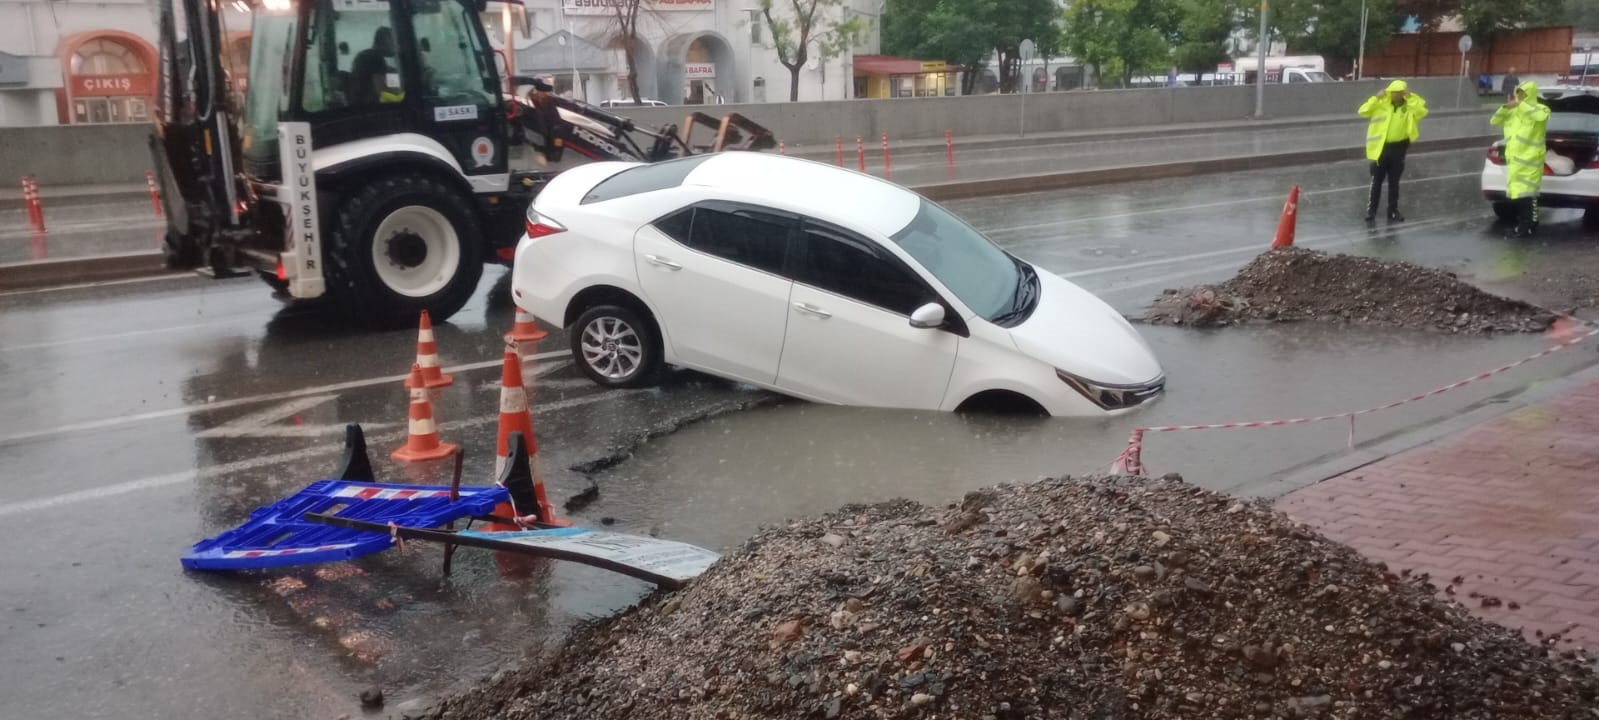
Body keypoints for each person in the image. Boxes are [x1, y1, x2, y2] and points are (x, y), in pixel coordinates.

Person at [1358, 79, 1429, 222]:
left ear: (1404, 93)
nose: (1395, 95)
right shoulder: (1381, 104)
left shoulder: (1409, 107)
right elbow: (1363, 111)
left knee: (1394, 182)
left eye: (1399, 93)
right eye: (1393, 92)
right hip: (1381, 149)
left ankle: (1392, 211)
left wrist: (1411, 97)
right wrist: (1375, 98)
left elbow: (1422, 111)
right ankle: (1371, 211)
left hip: (1399, 148)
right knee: (1376, 181)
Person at [1490, 81, 1551, 237]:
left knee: (1527, 196)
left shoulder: (1540, 109)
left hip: (1530, 160)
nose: (1520, 97)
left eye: (1523, 94)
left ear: (1530, 94)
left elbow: (1539, 116)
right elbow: (1495, 120)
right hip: (1515, 161)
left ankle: (1527, 226)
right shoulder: (1514, 112)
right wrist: (1506, 107)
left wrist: (1521, 104)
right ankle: (1528, 224)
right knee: (1519, 196)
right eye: (1519, 93)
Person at [351, 27, 402, 105]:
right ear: (387, 40)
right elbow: (385, 94)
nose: (396, 45)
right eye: (394, 41)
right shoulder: (375, 58)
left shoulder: (365, 55)